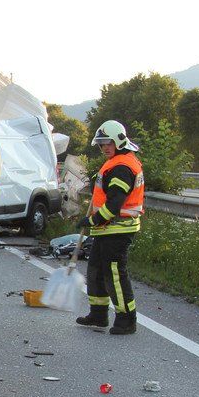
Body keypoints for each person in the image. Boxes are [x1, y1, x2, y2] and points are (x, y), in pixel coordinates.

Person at [75, 119, 144, 335]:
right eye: (101, 144)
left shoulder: (122, 167)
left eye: (108, 143)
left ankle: (126, 320)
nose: (104, 148)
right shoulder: (116, 162)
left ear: (119, 141)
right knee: (96, 271)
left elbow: (115, 204)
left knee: (114, 274)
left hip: (118, 229)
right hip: (108, 229)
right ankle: (98, 314)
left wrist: (93, 220)